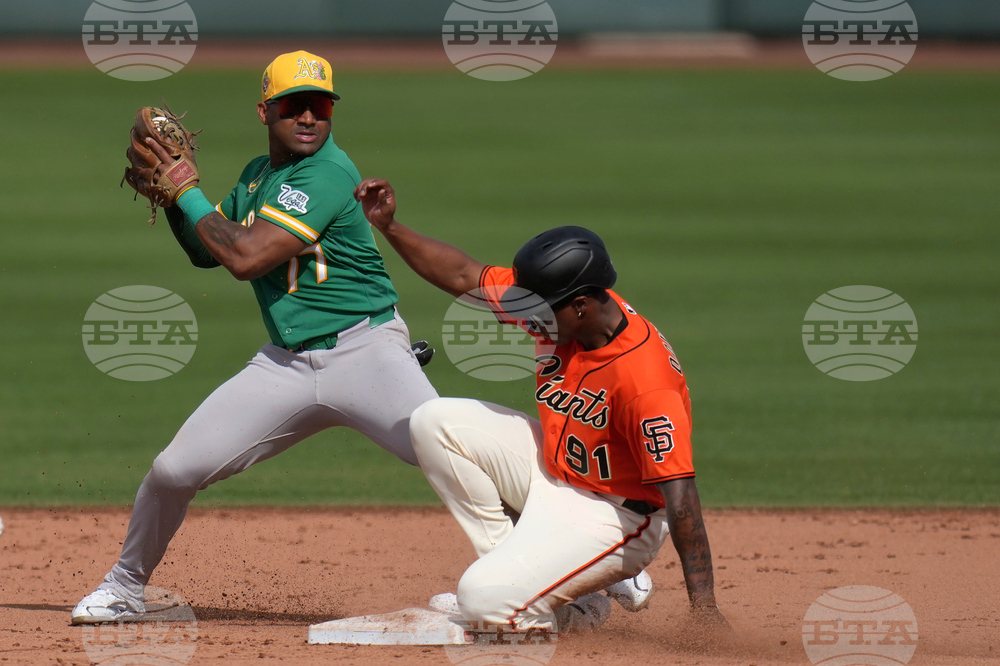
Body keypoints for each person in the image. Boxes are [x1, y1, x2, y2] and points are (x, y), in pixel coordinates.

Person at [71, 52, 438, 624]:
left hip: (367, 352)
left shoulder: (329, 173)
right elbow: (204, 250)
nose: (310, 117)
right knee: (173, 471)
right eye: (295, 106)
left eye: (321, 106)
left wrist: (186, 188)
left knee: (457, 456)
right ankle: (124, 587)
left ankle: (588, 569)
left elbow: (246, 258)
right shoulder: (256, 176)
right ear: (266, 111)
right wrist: (173, 200)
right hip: (287, 367)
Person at [353, 178, 727, 634]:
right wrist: (390, 227)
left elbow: (681, 495)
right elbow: (463, 276)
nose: (527, 315)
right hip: (556, 474)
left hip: (618, 516)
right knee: (435, 420)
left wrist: (704, 611)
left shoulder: (644, 381)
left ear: (583, 306)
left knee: (480, 601)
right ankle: (533, 583)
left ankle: (548, 611)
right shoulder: (563, 304)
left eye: (541, 308)